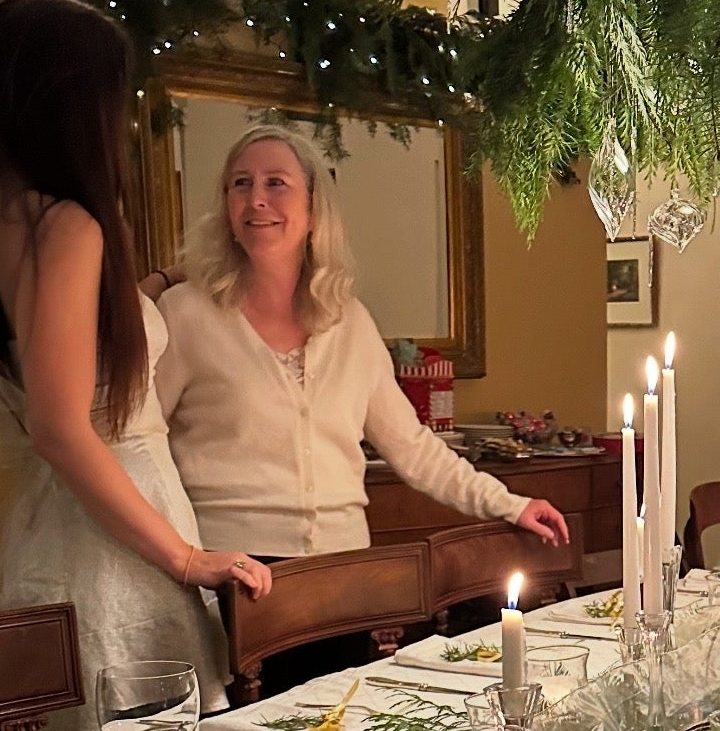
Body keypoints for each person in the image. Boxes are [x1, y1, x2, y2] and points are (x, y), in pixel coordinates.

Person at [0, 0, 272, 731]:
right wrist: (186, 558)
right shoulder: (70, 222)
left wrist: (150, 288)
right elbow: (62, 424)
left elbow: (53, 341)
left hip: (60, 531)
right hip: (116, 548)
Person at [154, 124, 569, 563]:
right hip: (229, 565)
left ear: (314, 210)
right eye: (241, 183)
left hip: (343, 567)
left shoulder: (349, 321)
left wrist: (510, 504)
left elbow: (413, 448)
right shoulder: (185, 314)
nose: (256, 198)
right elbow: (139, 445)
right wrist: (178, 554)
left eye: (276, 183)